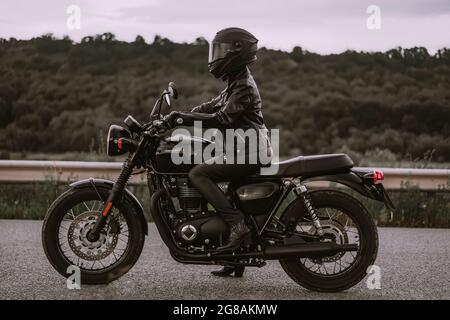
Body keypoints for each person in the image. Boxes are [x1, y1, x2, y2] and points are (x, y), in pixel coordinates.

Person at [163, 27, 271, 277]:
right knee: (232, 194)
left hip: (251, 153)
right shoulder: (236, 82)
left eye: (221, 51)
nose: (216, 57)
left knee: (198, 173)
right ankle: (236, 259)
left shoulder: (243, 84)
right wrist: (176, 117)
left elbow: (222, 118)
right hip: (246, 150)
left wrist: (181, 119)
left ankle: (237, 225)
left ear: (237, 52)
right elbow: (211, 106)